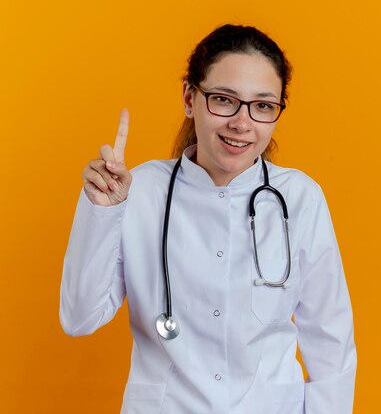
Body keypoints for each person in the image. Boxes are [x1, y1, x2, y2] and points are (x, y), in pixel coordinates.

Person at [60, 24, 357, 413]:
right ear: (189, 97)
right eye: (223, 99)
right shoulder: (139, 191)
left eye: (263, 105)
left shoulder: (300, 198)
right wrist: (102, 211)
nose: (242, 122)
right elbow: (79, 317)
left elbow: (329, 340)